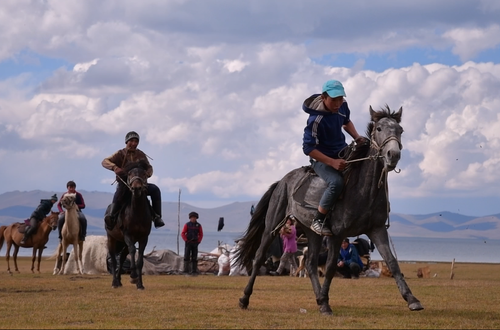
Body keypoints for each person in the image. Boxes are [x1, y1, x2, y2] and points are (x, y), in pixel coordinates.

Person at [302, 79, 367, 236]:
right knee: (336, 182)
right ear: (324, 97)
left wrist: (357, 137)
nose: (338, 103)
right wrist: (331, 162)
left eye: (341, 99)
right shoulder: (315, 120)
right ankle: (318, 220)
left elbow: (346, 122)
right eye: (334, 100)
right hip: (321, 159)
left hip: (342, 151)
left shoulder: (342, 106)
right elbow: (308, 148)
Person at [101, 131, 165, 230]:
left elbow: (149, 167)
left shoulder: (141, 154)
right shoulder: (120, 153)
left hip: (140, 185)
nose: (134, 143)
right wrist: (115, 167)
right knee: (118, 193)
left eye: (136, 141)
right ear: (126, 141)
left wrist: (147, 174)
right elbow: (105, 161)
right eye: (132, 141)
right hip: (125, 185)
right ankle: (112, 217)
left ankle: (157, 217)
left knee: (155, 190)